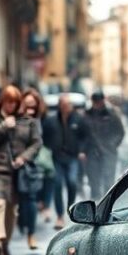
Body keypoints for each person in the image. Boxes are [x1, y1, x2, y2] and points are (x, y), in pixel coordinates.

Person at [0, 86, 43, 255]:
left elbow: (36, 143)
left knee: (11, 211)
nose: (11, 106)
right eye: (8, 102)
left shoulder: (27, 121)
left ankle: (4, 243)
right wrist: (3, 127)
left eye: (14, 102)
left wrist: (23, 158)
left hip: (17, 172)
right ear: (2, 101)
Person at [42, 95, 89, 230]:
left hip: (72, 157)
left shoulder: (78, 119)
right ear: (59, 105)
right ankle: (59, 215)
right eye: (63, 104)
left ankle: (70, 208)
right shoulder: (51, 121)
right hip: (56, 157)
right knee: (57, 184)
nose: (66, 106)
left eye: (68, 104)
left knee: (72, 182)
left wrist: (82, 151)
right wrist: (50, 148)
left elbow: (85, 137)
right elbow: (44, 137)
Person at [17, 88, 47, 250]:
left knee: (30, 200)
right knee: (21, 201)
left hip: (31, 166)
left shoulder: (37, 121)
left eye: (33, 106)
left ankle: (31, 234)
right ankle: (21, 223)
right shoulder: (15, 118)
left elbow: (38, 142)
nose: (29, 109)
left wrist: (25, 157)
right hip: (13, 164)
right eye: (26, 105)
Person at [84, 90, 124, 198]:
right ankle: (94, 206)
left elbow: (120, 132)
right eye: (95, 101)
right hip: (91, 152)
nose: (97, 104)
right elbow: (82, 134)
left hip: (108, 152)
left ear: (103, 101)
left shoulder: (111, 115)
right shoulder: (86, 115)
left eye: (99, 101)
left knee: (108, 180)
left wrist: (113, 144)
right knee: (94, 181)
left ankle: (106, 205)